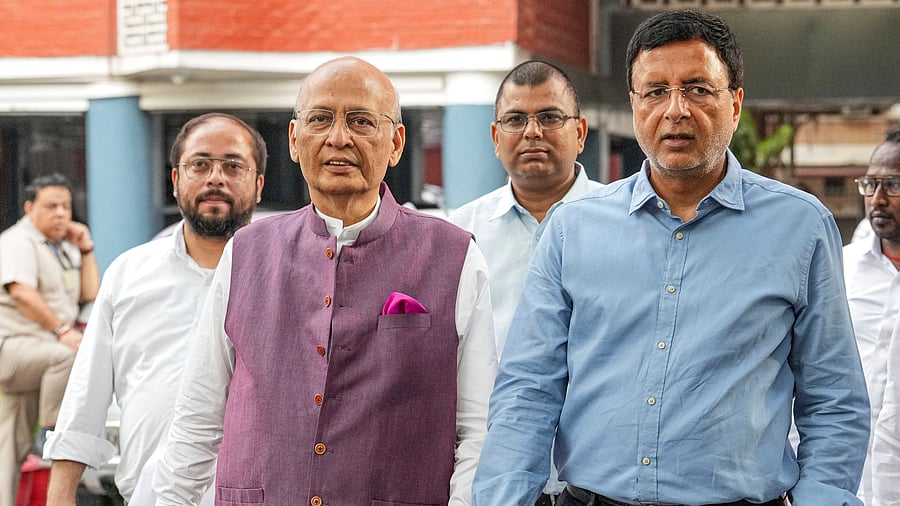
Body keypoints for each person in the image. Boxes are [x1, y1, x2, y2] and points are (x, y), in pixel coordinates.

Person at [472, 10, 869, 506]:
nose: (676, 109)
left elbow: (834, 400)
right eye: (655, 91)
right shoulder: (573, 229)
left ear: (736, 103)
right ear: (634, 105)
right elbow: (527, 392)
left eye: (698, 88)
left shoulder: (800, 227)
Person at [153, 56, 497, 506]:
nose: (339, 138)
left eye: (360, 121)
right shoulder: (246, 252)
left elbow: (478, 429)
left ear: (395, 144)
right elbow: (198, 418)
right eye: (320, 119)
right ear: (295, 141)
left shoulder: (453, 256)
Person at [42, 113, 266, 506]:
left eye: (233, 166)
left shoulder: (281, 278)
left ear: (258, 184)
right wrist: (59, 495)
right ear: (176, 180)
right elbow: (85, 397)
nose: (216, 177)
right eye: (200, 164)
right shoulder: (129, 275)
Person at [449, 59, 602, 506]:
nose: (532, 131)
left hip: (598, 485)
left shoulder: (626, 223)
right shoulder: (461, 235)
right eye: (516, 119)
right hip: (492, 483)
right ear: (496, 138)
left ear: (581, 131)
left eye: (549, 117)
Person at [0, 173, 99, 506]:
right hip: (13, 348)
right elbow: (21, 292)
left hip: (40, 358)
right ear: (29, 208)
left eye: (66, 207)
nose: (60, 214)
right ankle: (52, 431)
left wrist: (86, 249)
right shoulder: (18, 241)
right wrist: (62, 331)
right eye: (51, 206)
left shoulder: (65, 248)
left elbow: (90, 292)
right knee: (71, 354)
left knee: (7, 450)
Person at [842, 126, 900, 505]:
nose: (877, 199)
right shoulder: (840, 269)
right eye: (870, 184)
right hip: (849, 489)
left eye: (892, 185)